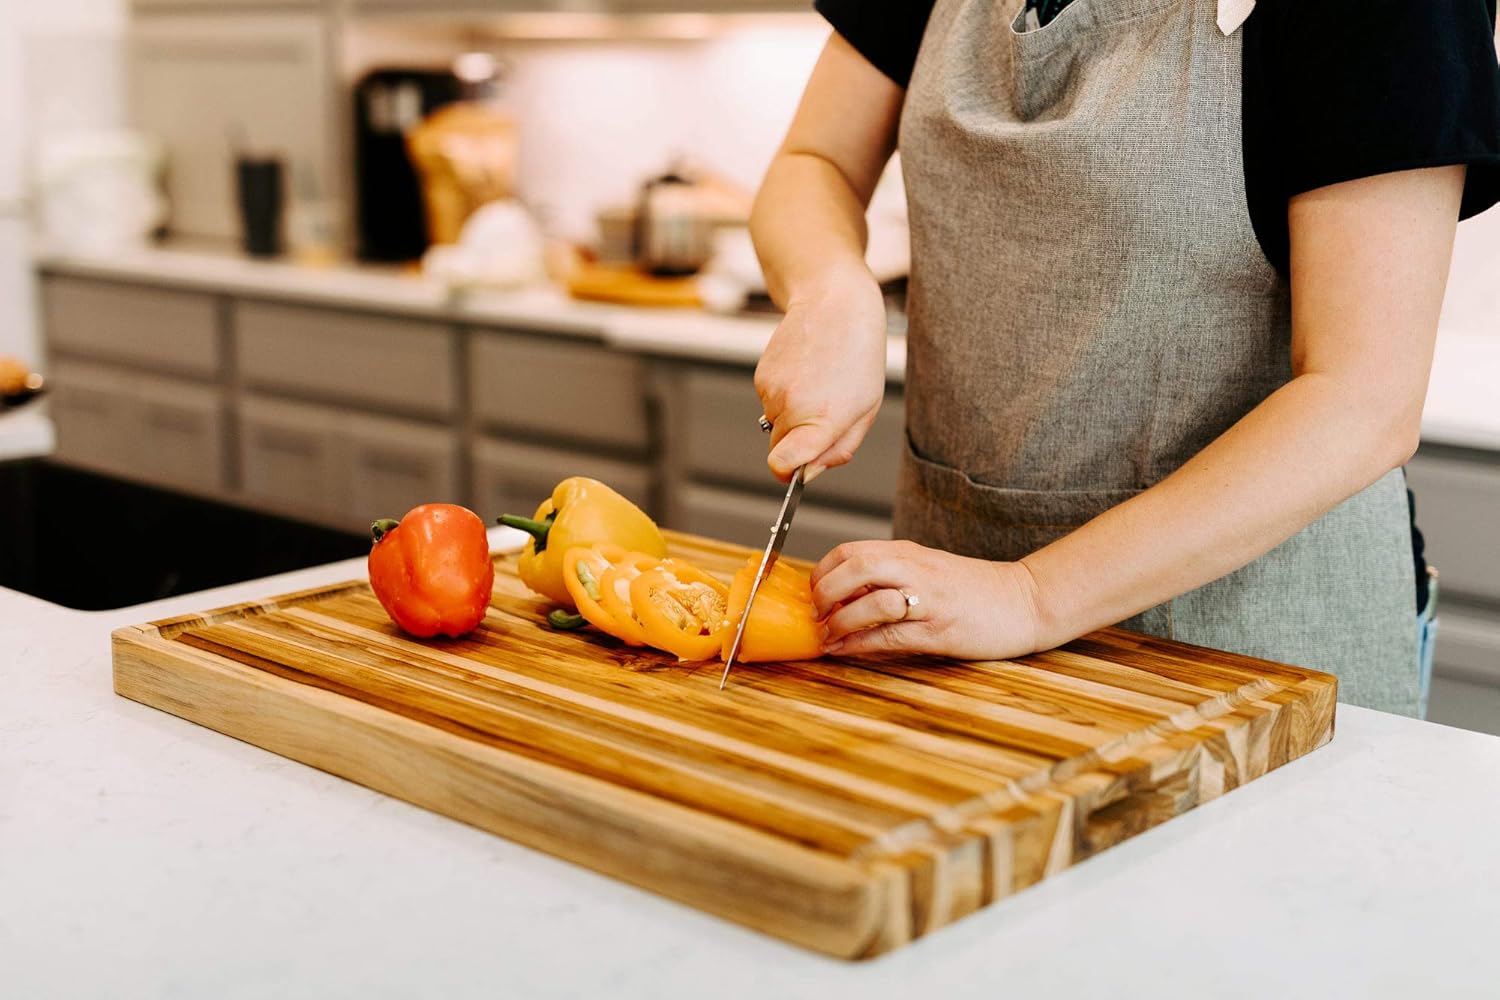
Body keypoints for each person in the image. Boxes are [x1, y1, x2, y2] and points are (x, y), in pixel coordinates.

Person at [749, 0, 1500, 715]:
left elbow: (1364, 399)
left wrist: (1033, 596)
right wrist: (831, 291)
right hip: (946, 630)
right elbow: (816, 161)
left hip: (1247, 657)